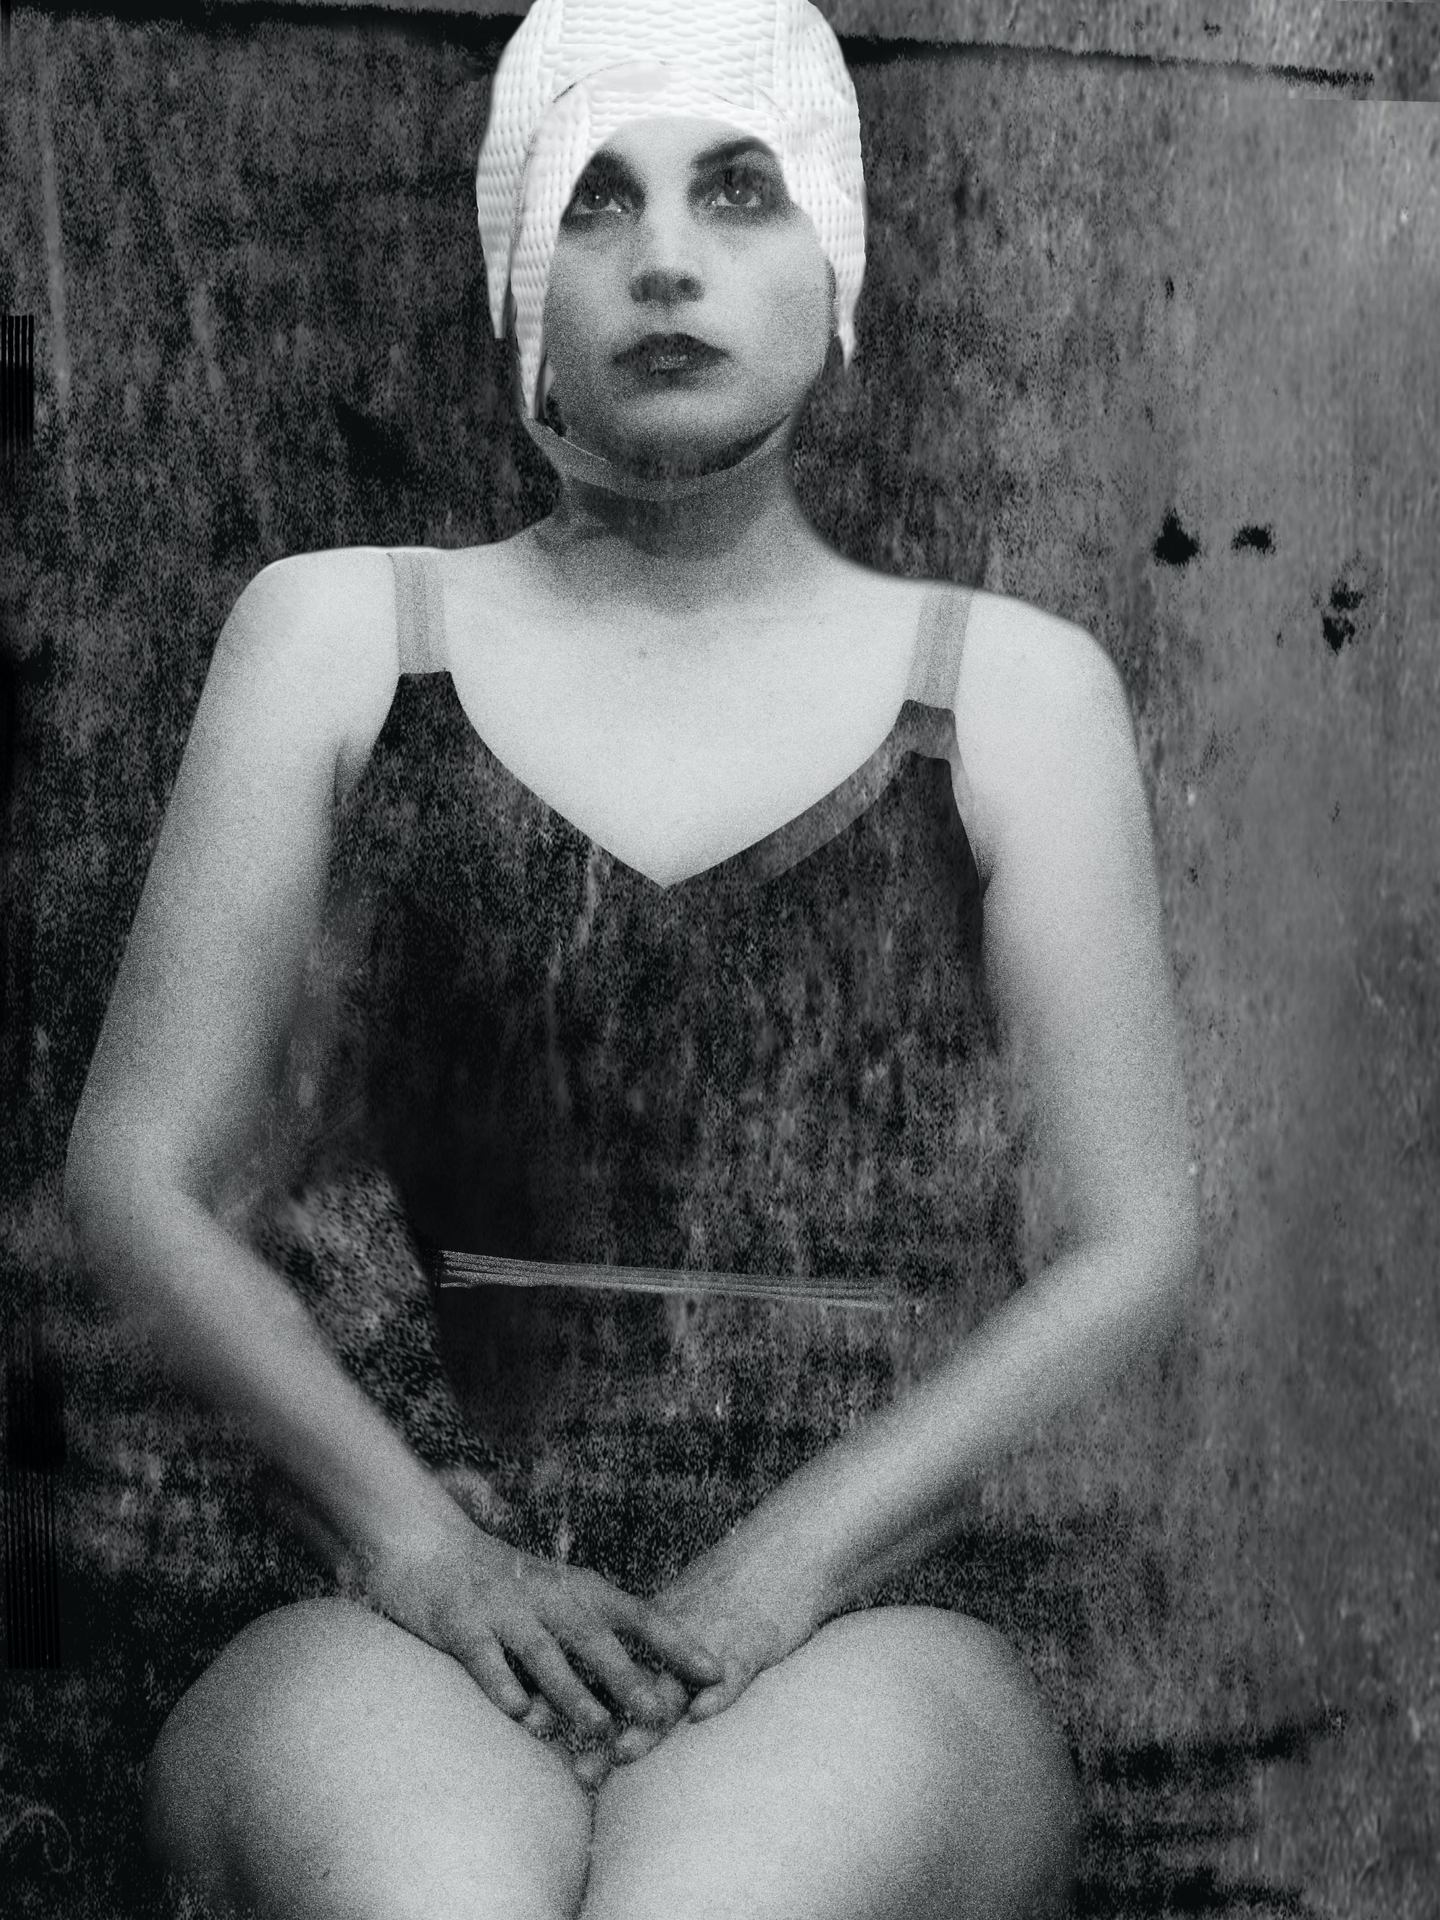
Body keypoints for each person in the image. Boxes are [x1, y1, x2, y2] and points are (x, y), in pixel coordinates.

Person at [64, 1, 1197, 1914]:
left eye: (738, 190)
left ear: (836, 255)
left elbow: (1130, 1244)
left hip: (871, 1619)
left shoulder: (1013, 689)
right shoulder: (340, 640)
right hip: (393, 1595)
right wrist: (427, 1554)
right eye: (596, 198)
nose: (666, 256)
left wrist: (784, 1571)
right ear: (520, 266)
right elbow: (137, 1181)